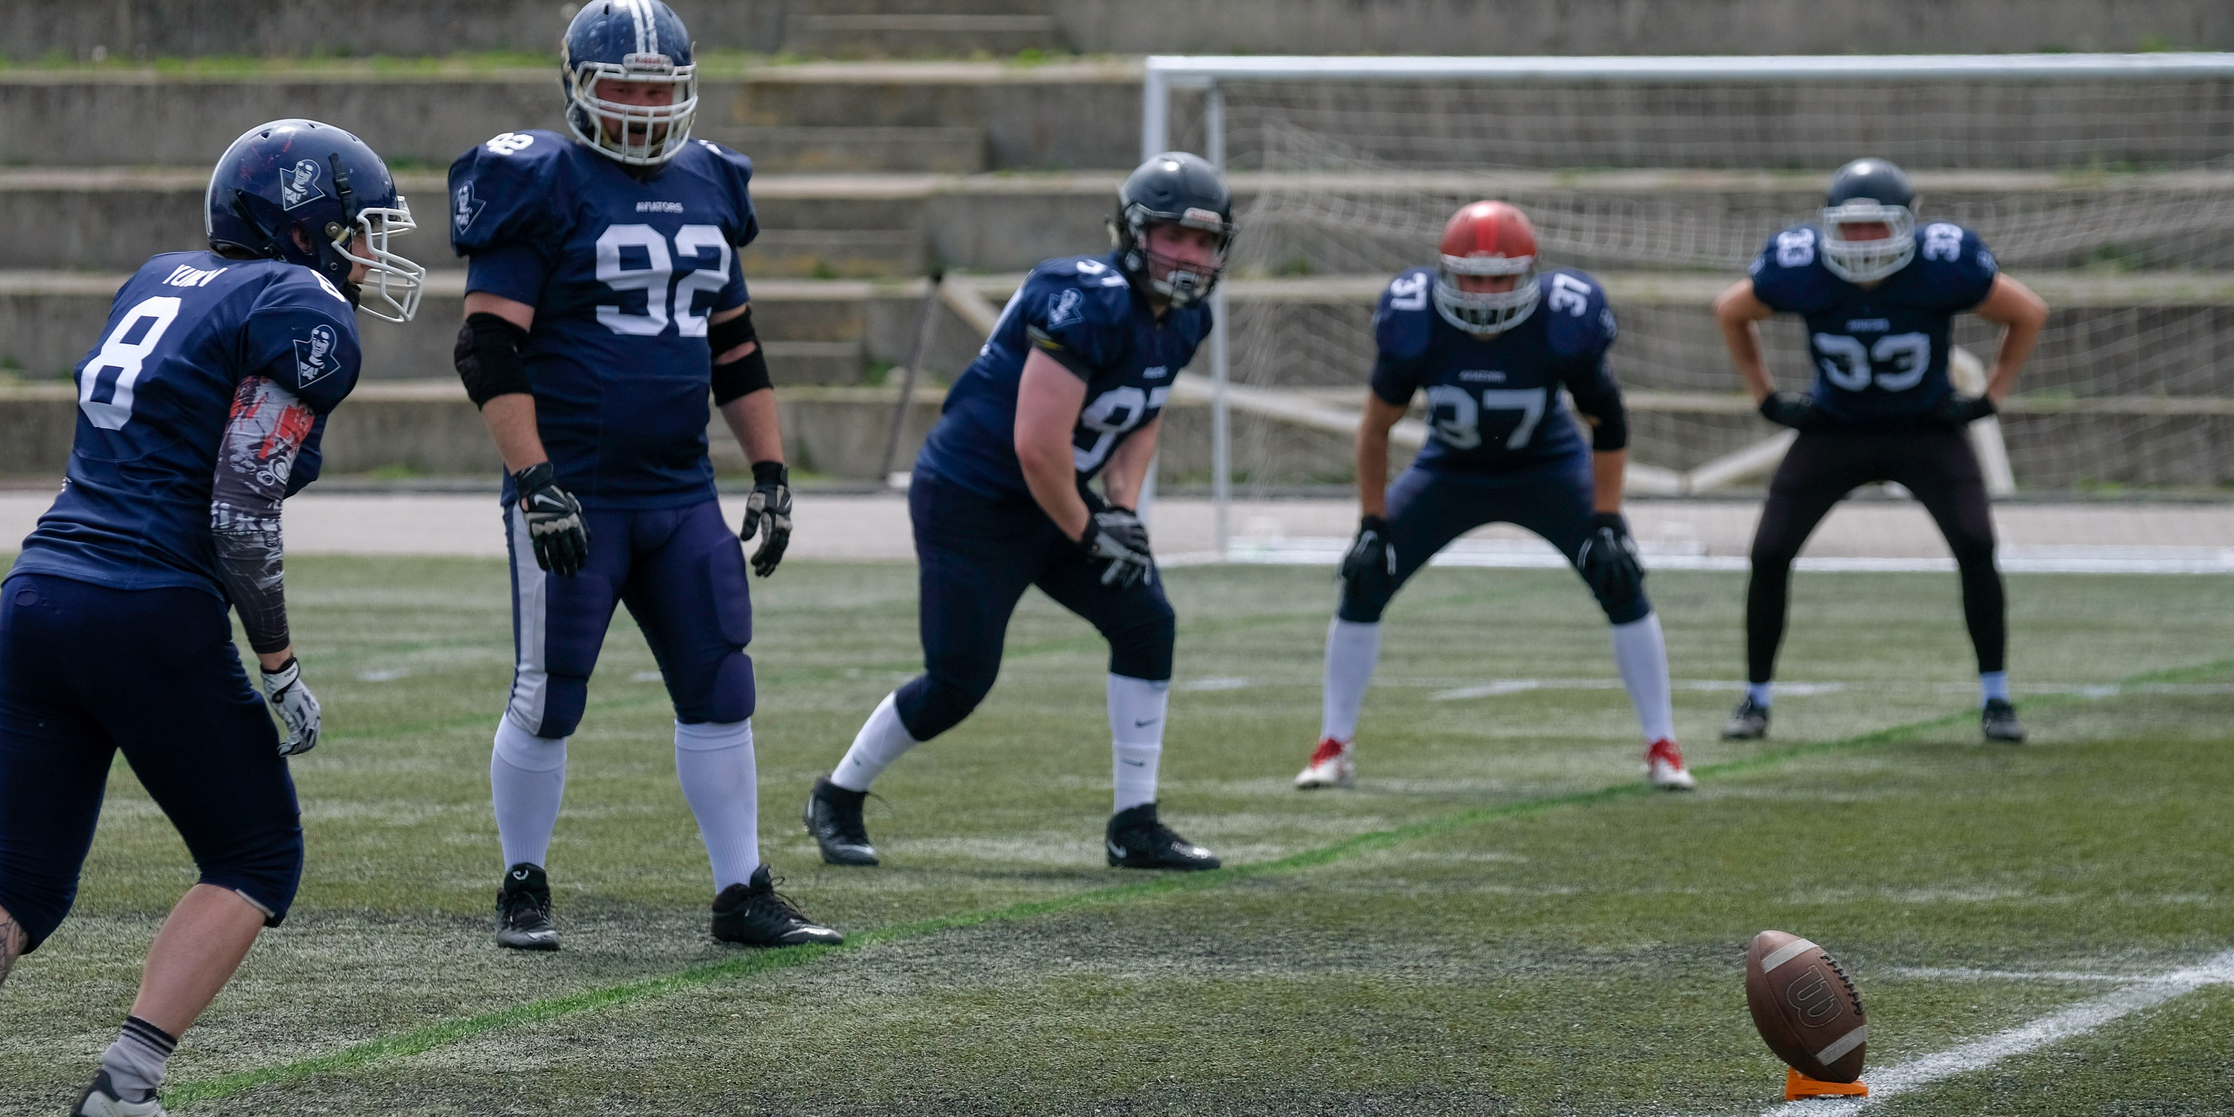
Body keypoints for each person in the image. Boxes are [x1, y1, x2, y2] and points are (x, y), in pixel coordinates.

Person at [0, 119, 422, 1117]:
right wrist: (280, 663)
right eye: (358, 230)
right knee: (256, 853)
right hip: (147, 600)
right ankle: (127, 1085)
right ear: (303, 226)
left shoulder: (161, 278)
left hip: (41, 589)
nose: (369, 254)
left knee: (21, 878)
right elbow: (242, 506)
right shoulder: (299, 304)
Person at [449, 0, 838, 953]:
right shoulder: (537, 179)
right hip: (576, 487)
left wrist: (771, 467)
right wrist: (535, 479)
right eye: (620, 84)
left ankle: (741, 891)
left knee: (721, 679)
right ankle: (523, 881)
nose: (639, 105)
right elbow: (487, 349)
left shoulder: (712, 179)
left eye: (657, 87)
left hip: (679, 490)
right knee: (552, 691)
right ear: (577, 86)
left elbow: (736, 344)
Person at [802, 153, 1231, 872]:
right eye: (1173, 237)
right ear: (1133, 233)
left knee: (1147, 622)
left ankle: (1135, 821)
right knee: (960, 679)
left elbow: (1143, 414)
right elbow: (1035, 443)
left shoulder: (1189, 317)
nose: (1189, 256)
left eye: (1204, 241)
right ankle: (837, 794)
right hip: (975, 499)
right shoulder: (1084, 296)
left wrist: (1122, 507)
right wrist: (1091, 528)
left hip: (1059, 495)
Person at [1294, 200, 1696, 793]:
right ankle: (1333, 744)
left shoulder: (1565, 318)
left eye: (1499, 277)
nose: (1484, 292)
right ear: (1445, 273)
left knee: (1619, 575)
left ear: (1530, 273)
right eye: (1472, 277)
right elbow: (1375, 428)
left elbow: (1608, 423)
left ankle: (1663, 743)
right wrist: (1372, 523)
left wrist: (1608, 518)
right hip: (1450, 468)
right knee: (1365, 576)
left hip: (1547, 466)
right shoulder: (1416, 318)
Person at [1713, 157, 2049, 744]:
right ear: (1828, 227)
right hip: (1836, 427)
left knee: (1976, 543)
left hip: (1924, 427)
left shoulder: (1943, 263)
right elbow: (1731, 310)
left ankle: (1996, 696)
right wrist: (1765, 397)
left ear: (1908, 226)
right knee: (1769, 552)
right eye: (1851, 228)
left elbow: (2027, 312)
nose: (1863, 242)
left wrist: (1991, 396)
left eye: (1876, 227)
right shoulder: (1801, 266)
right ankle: (1755, 698)